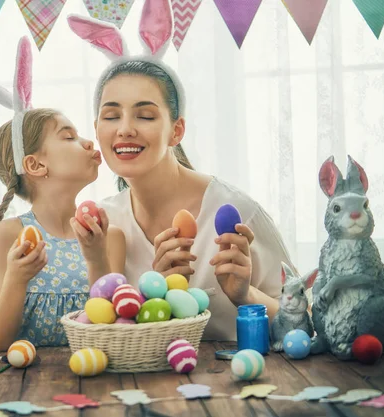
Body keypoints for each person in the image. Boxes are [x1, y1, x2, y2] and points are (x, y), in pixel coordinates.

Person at [68, 0, 295, 341]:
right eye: (111, 115)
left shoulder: (236, 214)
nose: (125, 129)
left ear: (176, 130)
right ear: (97, 126)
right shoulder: (107, 224)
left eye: (145, 115)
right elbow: (110, 338)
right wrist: (152, 295)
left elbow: (304, 323)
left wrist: (245, 294)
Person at [0, 37, 126, 350]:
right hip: (21, 388)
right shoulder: (10, 235)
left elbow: (111, 331)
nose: (87, 142)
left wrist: (96, 257)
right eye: (68, 136)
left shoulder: (109, 236)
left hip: (94, 378)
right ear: (36, 164)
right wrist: (17, 277)